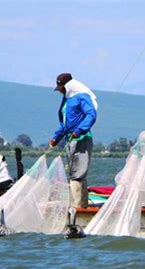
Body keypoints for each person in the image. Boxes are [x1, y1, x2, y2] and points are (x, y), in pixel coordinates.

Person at [49, 73, 97, 209]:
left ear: (68, 86)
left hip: (81, 138)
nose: (60, 91)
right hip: (70, 139)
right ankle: (81, 205)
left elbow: (91, 114)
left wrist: (80, 130)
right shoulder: (67, 99)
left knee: (77, 172)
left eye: (62, 88)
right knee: (74, 171)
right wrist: (56, 137)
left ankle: (79, 207)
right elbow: (65, 122)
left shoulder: (81, 96)